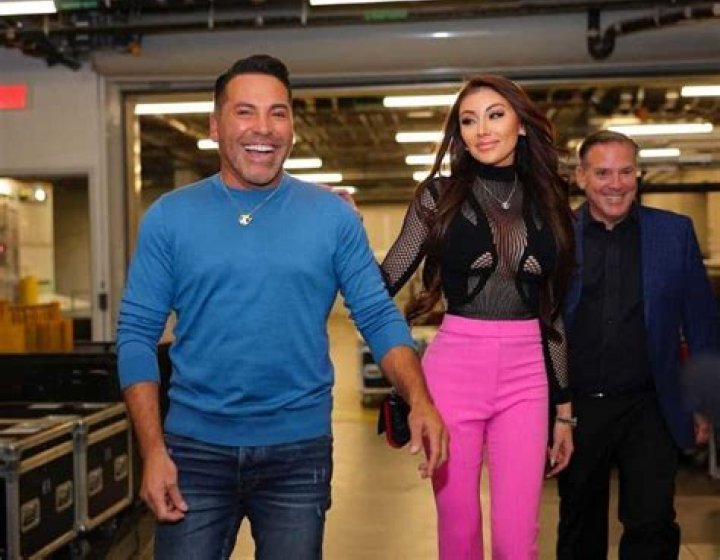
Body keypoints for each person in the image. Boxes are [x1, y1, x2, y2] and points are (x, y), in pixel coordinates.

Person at [116, 54, 447, 560]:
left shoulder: (332, 218)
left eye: (278, 113)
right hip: (194, 453)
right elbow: (137, 336)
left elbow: (378, 315)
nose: (264, 128)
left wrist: (419, 399)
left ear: (292, 125)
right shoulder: (169, 218)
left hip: (298, 453)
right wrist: (153, 450)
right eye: (245, 111)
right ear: (215, 125)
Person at [380, 75, 576, 559]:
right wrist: (339, 232)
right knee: (459, 531)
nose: (481, 130)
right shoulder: (438, 195)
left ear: (521, 124)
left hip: (527, 376)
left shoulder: (551, 201)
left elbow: (553, 312)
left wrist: (564, 412)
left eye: (495, 115)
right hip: (453, 371)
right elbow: (382, 282)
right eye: (468, 120)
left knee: (517, 540)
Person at [557, 129, 719, 560]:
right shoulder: (556, 236)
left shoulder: (673, 233)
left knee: (652, 523)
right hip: (577, 409)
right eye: (603, 173)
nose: (616, 184)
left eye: (626, 172)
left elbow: (701, 322)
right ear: (581, 177)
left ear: (638, 174)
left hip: (651, 405)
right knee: (579, 524)